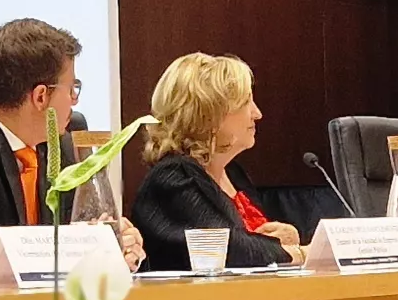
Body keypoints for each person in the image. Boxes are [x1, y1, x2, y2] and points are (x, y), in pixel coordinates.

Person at [0, 17, 145, 283]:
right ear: (41, 96)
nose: (75, 101)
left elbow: (78, 234)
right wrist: (82, 251)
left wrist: (110, 246)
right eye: (72, 89)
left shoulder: (61, 147)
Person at [129, 53, 304, 269]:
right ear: (210, 113)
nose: (257, 114)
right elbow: (228, 249)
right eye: (246, 102)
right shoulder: (172, 177)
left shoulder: (234, 174)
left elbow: (258, 242)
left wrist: (289, 237)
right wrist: (298, 254)